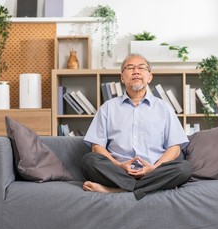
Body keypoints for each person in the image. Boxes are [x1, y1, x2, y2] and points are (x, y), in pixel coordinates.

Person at [80, 53, 191, 200]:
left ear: (149, 76)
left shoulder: (164, 108)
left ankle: (117, 190)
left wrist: (154, 168)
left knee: (184, 168)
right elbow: (97, 147)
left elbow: (175, 148)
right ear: (122, 77)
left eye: (141, 68)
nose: (136, 71)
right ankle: (142, 188)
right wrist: (119, 166)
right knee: (89, 161)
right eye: (130, 67)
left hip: (154, 171)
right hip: (117, 172)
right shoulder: (108, 107)